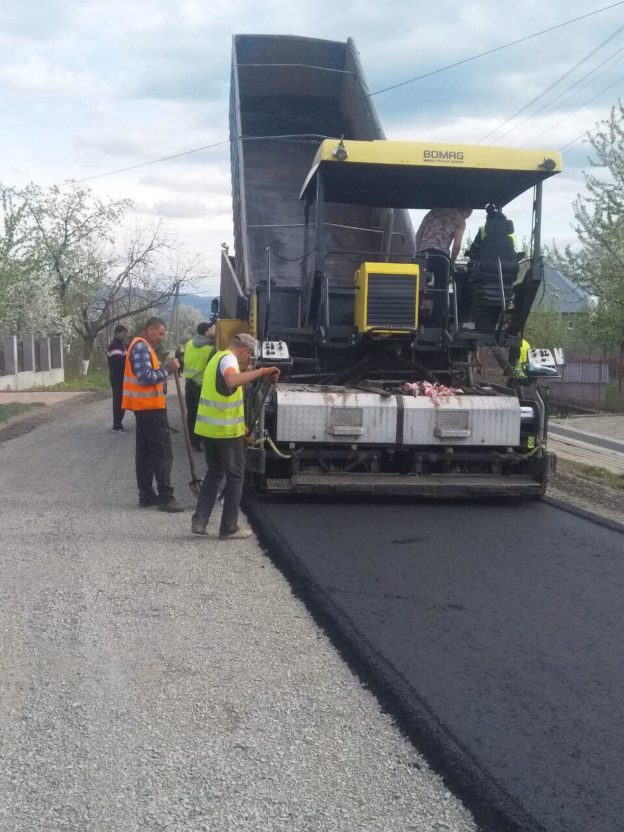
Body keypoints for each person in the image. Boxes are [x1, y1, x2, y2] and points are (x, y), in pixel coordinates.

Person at [191, 332, 280, 539]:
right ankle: (229, 528)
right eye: (250, 358)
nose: (249, 362)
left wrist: (243, 427)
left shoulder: (216, 357)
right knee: (236, 476)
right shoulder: (229, 359)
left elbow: (227, 394)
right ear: (245, 351)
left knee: (214, 473)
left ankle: (200, 520)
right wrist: (262, 371)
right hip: (224, 432)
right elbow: (231, 380)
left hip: (209, 429)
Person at [121, 316, 183, 512]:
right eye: (160, 333)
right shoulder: (141, 346)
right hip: (150, 408)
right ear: (150, 330)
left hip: (145, 407)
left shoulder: (143, 347)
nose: (162, 338)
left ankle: (147, 496)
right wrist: (168, 369)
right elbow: (146, 377)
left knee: (146, 453)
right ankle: (166, 497)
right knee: (163, 453)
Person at [416, 207, 472, 325]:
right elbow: (456, 245)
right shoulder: (460, 220)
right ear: (467, 210)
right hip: (441, 256)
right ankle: (437, 322)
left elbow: (419, 233)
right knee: (441, 288)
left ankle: (415, 317)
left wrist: (418, 252)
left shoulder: (434, 211)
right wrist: (451, 262)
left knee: (418, 287)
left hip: (423, 253)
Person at [183, 322, 216, 450]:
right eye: (212, 328)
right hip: (201, 386)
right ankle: (202, 441)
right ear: (207, 332)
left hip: (188, 384)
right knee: (202, 415)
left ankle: (193, 441)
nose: (214, 330)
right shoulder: (211, 349)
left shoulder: (189, 344)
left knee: (191, 413)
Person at [107, 324, 128, 432]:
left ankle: (118, 424)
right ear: (117, 333)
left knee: (120, 401)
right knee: (118, 401)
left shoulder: (120, 345)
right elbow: (118, 363)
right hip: (117, 376)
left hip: (120, 376)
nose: (124, 336)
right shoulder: (115, 345)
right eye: (123, 334)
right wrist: (129, 364)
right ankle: (117, 425)